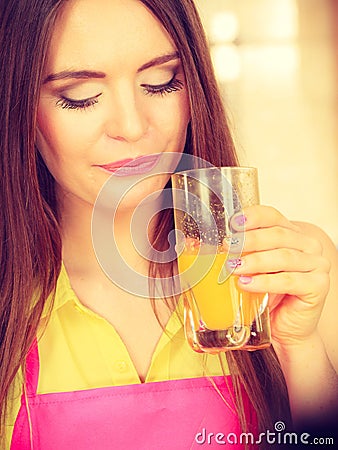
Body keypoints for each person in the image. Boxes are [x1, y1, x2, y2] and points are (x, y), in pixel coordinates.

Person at [0, 0, 337, 448]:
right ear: (18, 106)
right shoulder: (11, 302)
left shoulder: (289, 273)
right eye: (79, 96)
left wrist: (301, 348)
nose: (133, 126)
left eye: (160, 83)